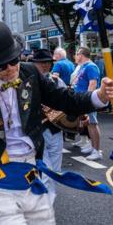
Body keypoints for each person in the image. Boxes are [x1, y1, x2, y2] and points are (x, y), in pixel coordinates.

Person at [0, 21, 113, 225]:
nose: (10, 69)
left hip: (30, 177)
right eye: (0, 65)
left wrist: (100, 95)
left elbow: (66, 99)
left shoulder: (30, 73)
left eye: (13, 60)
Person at [31, 49, 67, 204]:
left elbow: (68, 101)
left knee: (56, 171)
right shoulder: (27, 82)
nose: (45, 66)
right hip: (37, 133)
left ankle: (45, 203)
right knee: (45, 172)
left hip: (56, 130)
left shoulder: (57, 81)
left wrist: (79, 116)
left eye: (48, 62)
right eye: (42, 63)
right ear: (34, 64)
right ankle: (45, 208)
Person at [74, 46, 103, 160]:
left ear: (81, 55)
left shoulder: (91, 66)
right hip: (83, 99)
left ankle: (97, 151)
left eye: (77, 54)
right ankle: (92, 147)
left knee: (92, 124)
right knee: (88, 124)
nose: (75, 57)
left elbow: (93, 84)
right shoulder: (84, 66)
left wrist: (87, 100)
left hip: (88, 100)